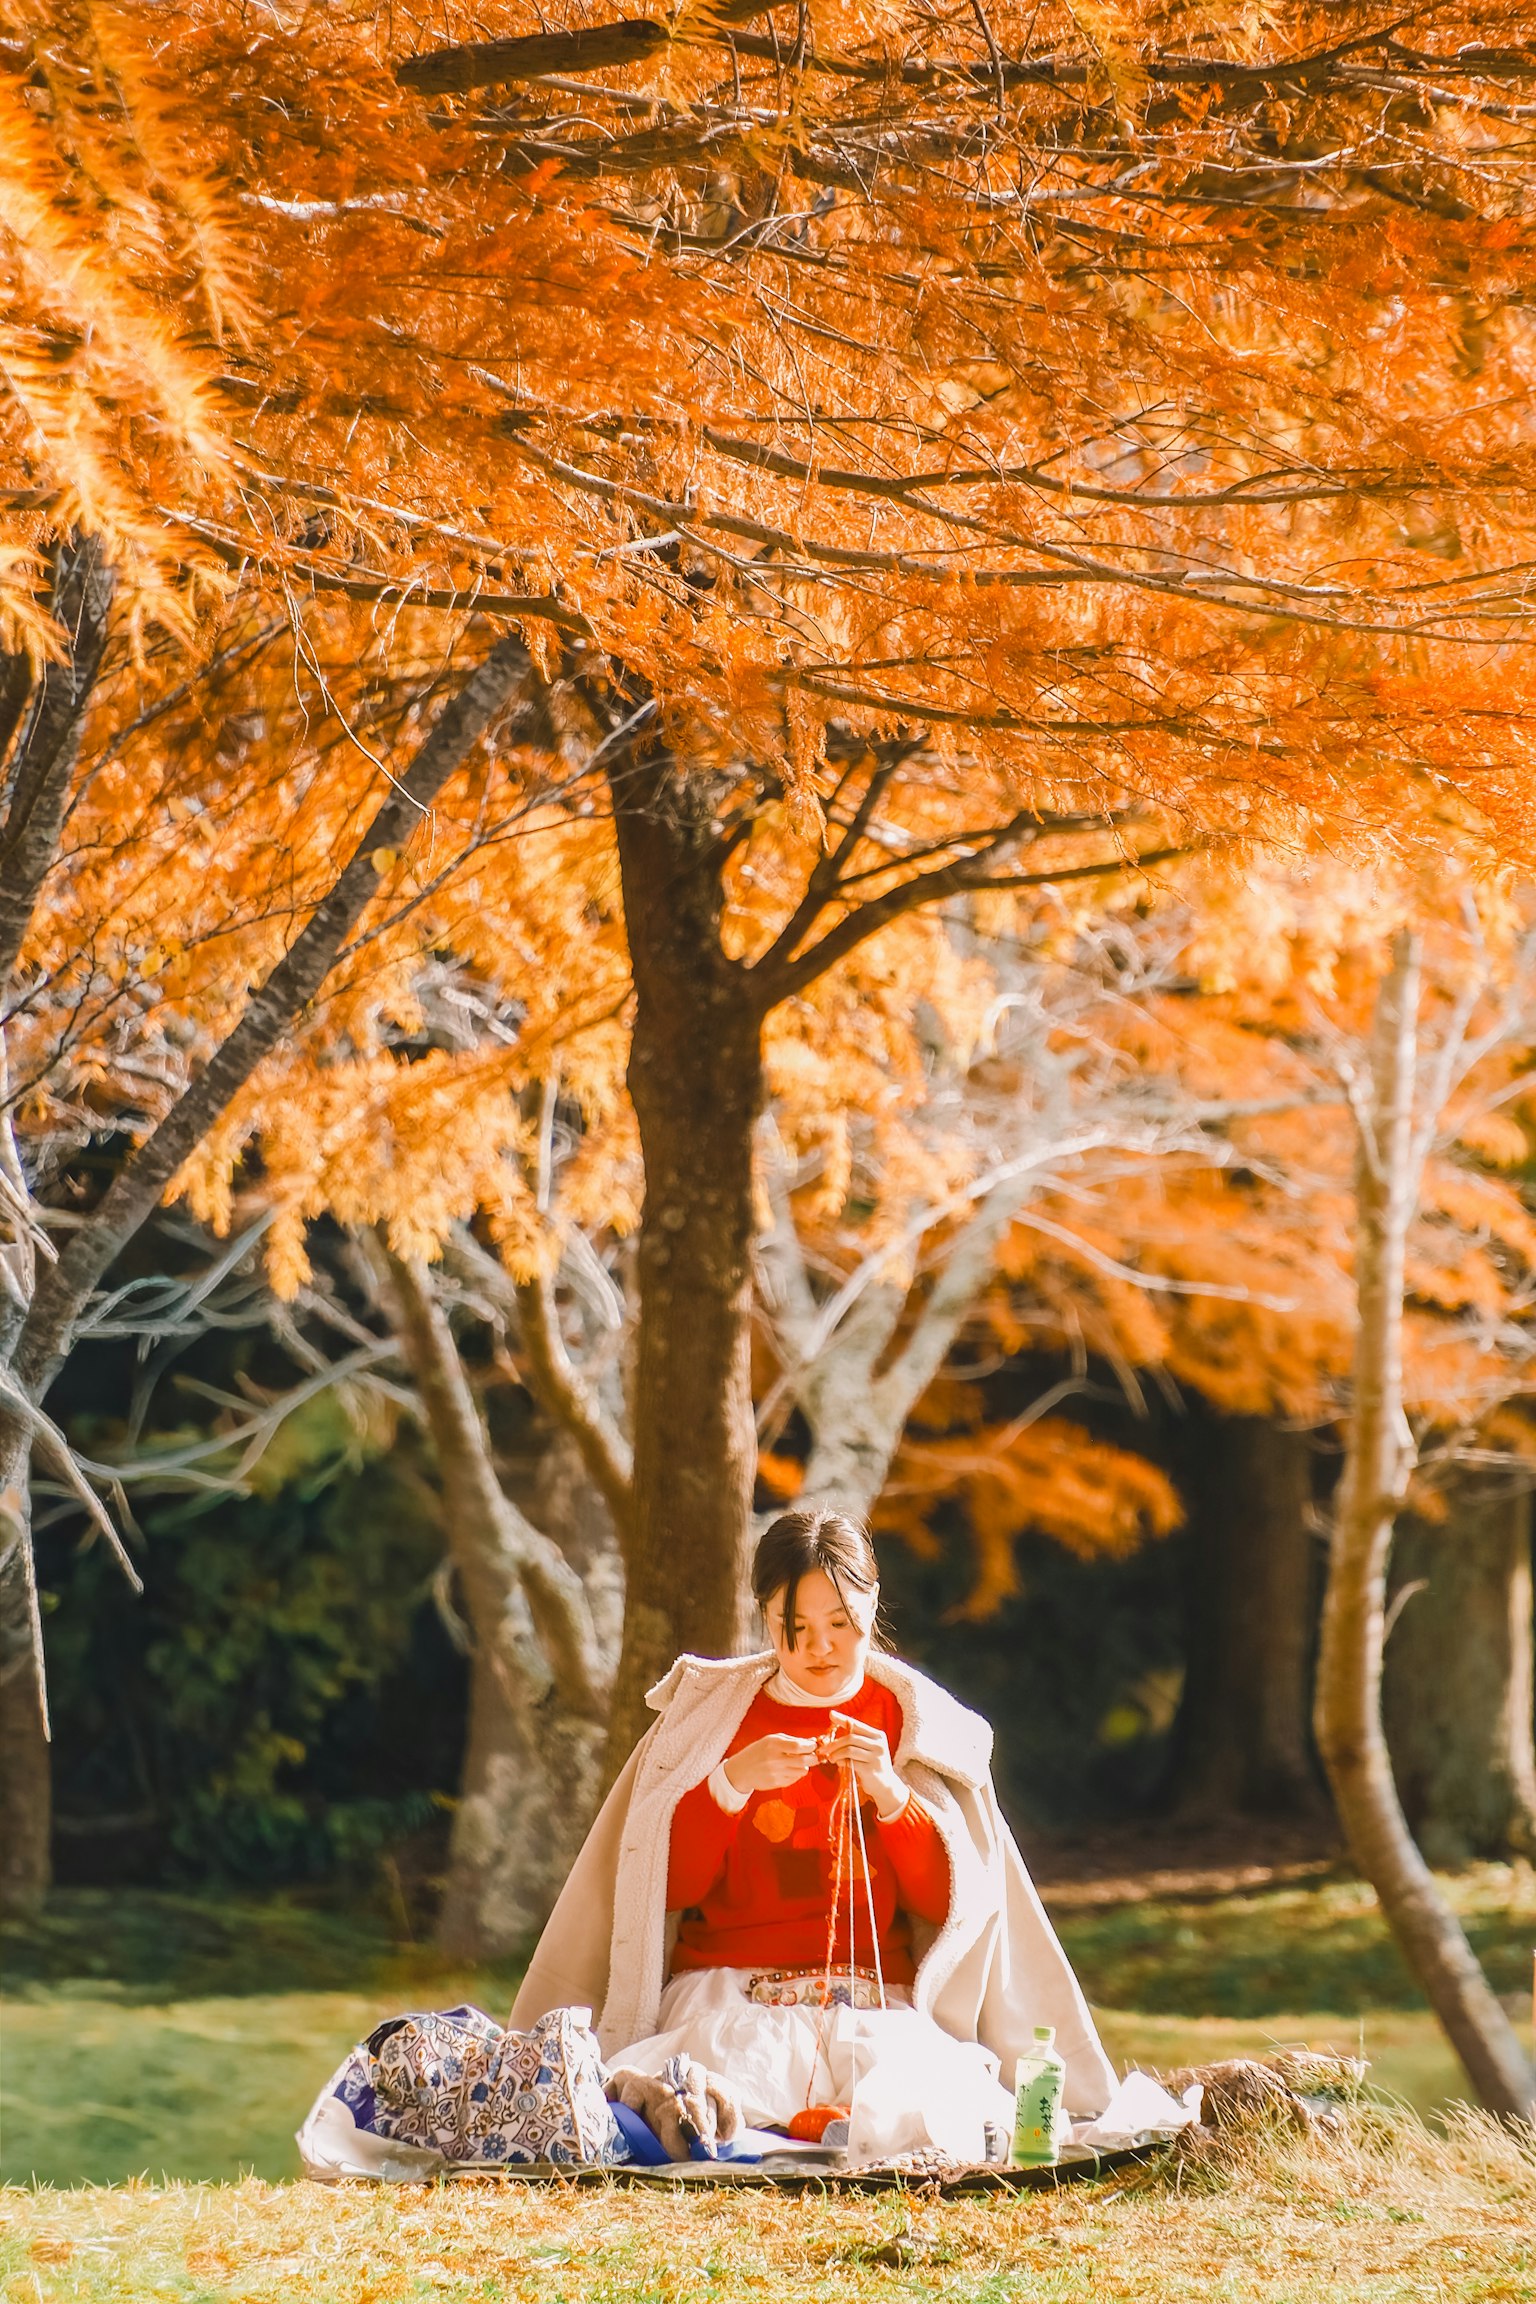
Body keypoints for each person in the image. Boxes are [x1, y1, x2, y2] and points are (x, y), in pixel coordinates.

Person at [511, 1510, 1116, 2164]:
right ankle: (777, 2132)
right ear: (764, 1617)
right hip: (730, 1996)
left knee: (932, 2104)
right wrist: (728, 1785)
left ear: (873, 1603)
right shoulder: (709, 1722)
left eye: (840, 1624)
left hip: (875, 2005)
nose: (818, 1649)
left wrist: (890, 1794)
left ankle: (802, 2134)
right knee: (719, 2087)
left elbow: (953, 1907)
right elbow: (658, 1886)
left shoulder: (919, 1725)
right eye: (792, 1629)